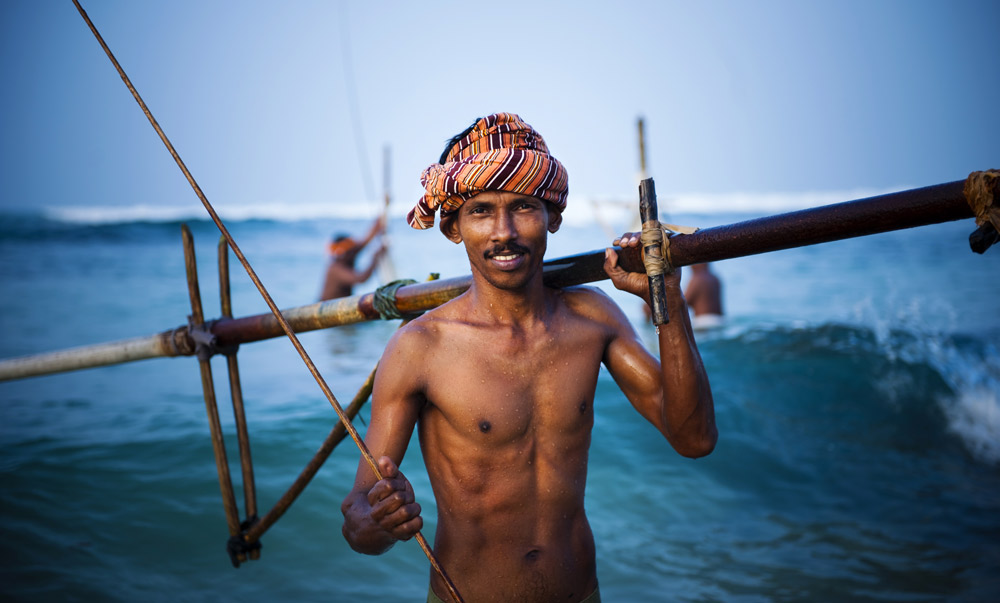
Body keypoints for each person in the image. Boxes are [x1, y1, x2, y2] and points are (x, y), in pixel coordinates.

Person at [340, 113, 716, 603]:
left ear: (552, 218)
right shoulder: (421, 346)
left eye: (523, 207)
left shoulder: (593, 318)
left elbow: (694, 438)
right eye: (480, 211)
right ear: (453, 227)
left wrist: (668, 301)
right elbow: (358, 520)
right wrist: (380, 523)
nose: (504, 232)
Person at [319, 215, 387, 301]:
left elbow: (364, 241)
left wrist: (378, 223)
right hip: (328, 309)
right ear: (342, 253)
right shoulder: (335, 269)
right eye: (350, 251)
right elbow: (361, 278)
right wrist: (375, 258)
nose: (353, 252)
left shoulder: (347, 255)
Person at [684, 263, 725, 330]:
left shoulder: (696, 279)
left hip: (703, 323)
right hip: (720, 321)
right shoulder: (715, 278)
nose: (690, 266)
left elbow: (685, 302)